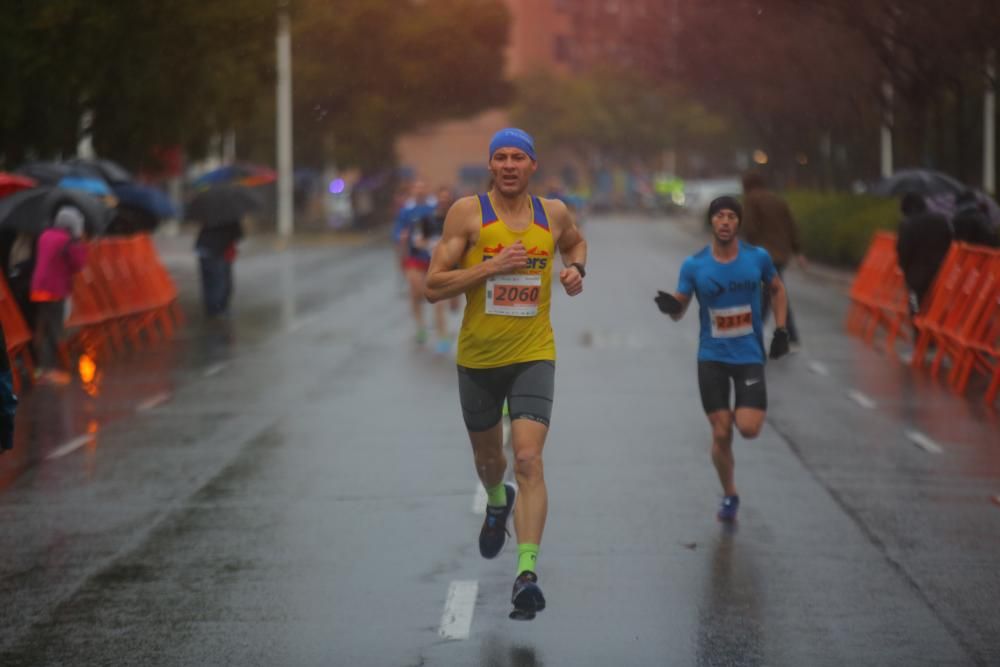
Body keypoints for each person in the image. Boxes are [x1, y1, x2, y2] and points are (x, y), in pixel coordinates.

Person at [424, 128, 587, 620]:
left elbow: (575, 244)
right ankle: (497, 501)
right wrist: (488, 269)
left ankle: (527, 575)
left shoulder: (553, 214)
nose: (510, 165)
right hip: (478, 360)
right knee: (490, 462)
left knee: (529, 458)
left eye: (519, 157)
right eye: (501, 157)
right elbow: (433, 286)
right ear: (490, 165)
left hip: (534, 354)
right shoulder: (467, 214)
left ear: (533, 164)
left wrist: (577, 271)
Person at [654, 196, 790, 523]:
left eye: (731, 216)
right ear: (712, 222)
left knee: (748, 428)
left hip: (748, 357)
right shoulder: (695, 265)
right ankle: (730, 494)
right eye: (719, 216)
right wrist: (672, 306)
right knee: (720, 432)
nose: (725, 221)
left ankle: (735, 418)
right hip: (711, 357)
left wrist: (781, 330)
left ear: (738, 223)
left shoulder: (757, 258)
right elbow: (681, 306)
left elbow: (777, 288)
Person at [740, 171, 805, 346]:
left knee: (765, 297)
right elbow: (791, 225)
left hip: (763, 255)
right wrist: (797, 251)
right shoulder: (778, 199)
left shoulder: (752, 200)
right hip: (781, 254)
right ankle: (790, 335)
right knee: (775, 293)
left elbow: (750, 228)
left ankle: (755, 335)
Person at [30, 206, 88, 385]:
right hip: (55, 291)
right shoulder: (67, 241)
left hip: (39, 289)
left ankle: (39, 368)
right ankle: (49, 370)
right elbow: (79, 264)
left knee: (43, 327)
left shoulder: (45, 236)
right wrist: (79, 241)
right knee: (54, 330)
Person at [403, 186, 458, 353]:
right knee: (416, 292)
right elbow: (417, 241)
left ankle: (442, 336)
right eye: (440, 198)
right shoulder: (426, 219)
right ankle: (420, 327)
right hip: (419, 259)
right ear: (436, 200)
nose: (443, 202)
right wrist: (431, 245)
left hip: (441, 264)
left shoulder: (456, 222)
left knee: (439, 302)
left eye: (447, 199)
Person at [896, 192, 953, 315]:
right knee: (937, 302)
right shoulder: (941, 220)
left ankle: (917, 327)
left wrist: (903, 266)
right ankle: (934, 326)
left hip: (916, 273)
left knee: (915, 303)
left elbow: (903, 249)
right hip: (941, 269)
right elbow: (949, 241)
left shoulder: (907, 224)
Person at [195, 219, 243, 319]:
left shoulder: (210, 216)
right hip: (217, 252)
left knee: (208, 282)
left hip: (203, 250)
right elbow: (239, 234)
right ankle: (218, 310)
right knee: (220, 282)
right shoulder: (230, 218)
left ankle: (210, 309)